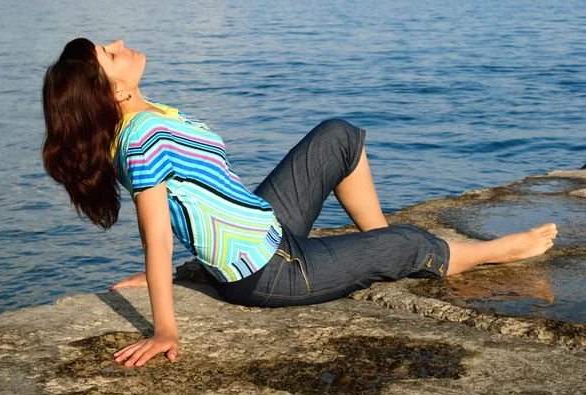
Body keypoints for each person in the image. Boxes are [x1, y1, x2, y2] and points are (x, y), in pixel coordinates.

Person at [42, 38, 558, 368]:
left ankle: (375, 246)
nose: (119, 44)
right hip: (271, 273)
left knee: (337, 137)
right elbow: (156, 232)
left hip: (266, 226)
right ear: (113, 93)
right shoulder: (142, 137)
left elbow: (198, 203)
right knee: (409, 242)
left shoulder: (149, 115)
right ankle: (492, 251)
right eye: (109, 55)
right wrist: (165, 326)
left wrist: (184, 271)